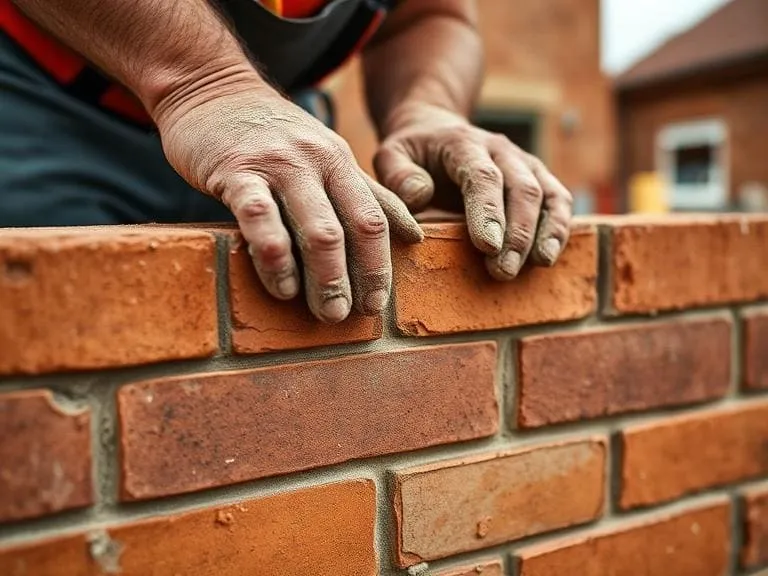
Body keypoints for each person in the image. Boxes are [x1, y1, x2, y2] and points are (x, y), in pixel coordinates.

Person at [0, 0, 573, 324]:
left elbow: (425, 16)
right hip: (43, 100)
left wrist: (428, 108)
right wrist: (202, 81)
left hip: (272, 113)